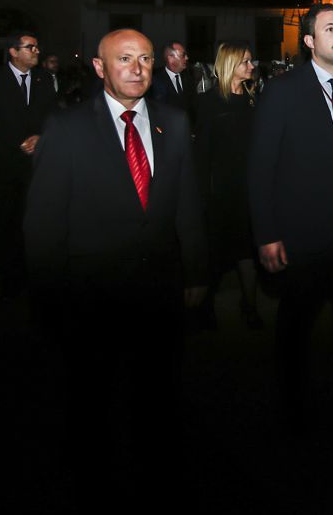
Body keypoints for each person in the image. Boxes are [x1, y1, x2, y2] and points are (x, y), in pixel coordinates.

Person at [23, 29, 207, 508]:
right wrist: (50, 296)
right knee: (91, 401)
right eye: (124, 59)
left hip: (159, 291)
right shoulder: (67, 128)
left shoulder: (173, 120)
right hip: (91, 294)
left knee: (157, 397)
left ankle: (159, 478)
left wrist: (196, 272)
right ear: (100, 67)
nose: (138, 68)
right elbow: (43, 224)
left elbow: (188, 205)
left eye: (145, 59)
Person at [248, 3, 333, 443]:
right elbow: (260, 168)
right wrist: (266, 234)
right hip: (302, 238)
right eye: (330, 28)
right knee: (295, 333)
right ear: (309, 41)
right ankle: (292, 416)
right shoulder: (282, 92)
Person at [0, 31, 56, 299]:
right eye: (30, 47)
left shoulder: (45, 79)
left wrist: (41, 136)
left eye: (37, 46)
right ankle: (7, 275)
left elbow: (52, 114)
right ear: (13, 51)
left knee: (31, 220)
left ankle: (30, 270)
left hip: (34, 164)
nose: (36, 51)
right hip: (1, 162)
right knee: (3, 222)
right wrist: (17, 140)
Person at [194, 42, 263, 329]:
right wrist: (200, 194)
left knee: (248, 249)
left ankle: (249, 305)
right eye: (246, 62)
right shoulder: (209, 102)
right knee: (215, 252)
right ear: (230, 65)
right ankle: (204, 308)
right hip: (220, 189)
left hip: (248, 188)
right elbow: (202, 155)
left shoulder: (252, 100)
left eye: (251, 61)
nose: (252, 66)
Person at [148, 41, 198, 124]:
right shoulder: (154, 81)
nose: (187, 58)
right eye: (183, 55)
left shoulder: (189, 77)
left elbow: (194, 107)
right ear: (170, 58)